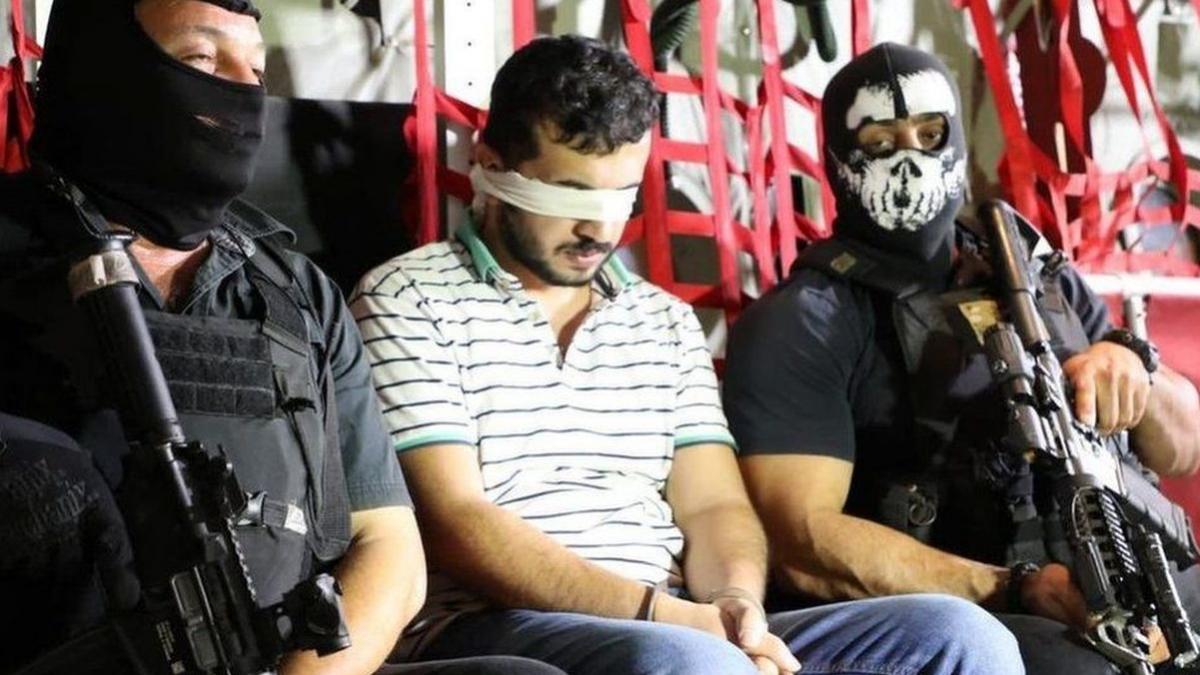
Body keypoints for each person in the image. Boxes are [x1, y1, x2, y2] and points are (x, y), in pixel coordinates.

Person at [351, 34, 1025, 675]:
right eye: (571, 193)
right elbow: (456, 521)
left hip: (681, 621)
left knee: (961, 636)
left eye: (621, 194)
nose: (598, 229)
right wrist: (663, 616)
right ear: (492, 166)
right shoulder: (407, 299)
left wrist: (736, 605)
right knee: (694, 663)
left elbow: (713, 506)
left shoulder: (663, 320)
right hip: (497, 621)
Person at [0, 2, 563, 674]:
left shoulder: (295, 292)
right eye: (202, 61)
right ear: (102, 74)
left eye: (257, 70)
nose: (243, 92)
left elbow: (389, 545)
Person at [722, 42, 1200, 675]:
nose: (910, 160)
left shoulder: (1029, 273)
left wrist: (1132, 367)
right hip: (975, 612)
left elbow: (1185, 448)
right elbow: (802, 543)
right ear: (838, 158)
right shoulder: (806, 318)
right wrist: (1015, 587)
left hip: (1133, 577)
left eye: (930, 134)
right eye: (879, 142)